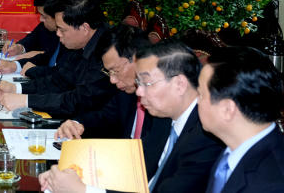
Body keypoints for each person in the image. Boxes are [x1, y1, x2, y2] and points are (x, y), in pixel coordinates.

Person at [40, 39, 224, 193]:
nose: (139, 92)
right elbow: (136, 169)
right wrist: (73, 175)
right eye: (138, 82)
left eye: (146, 83)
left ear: (180, 84)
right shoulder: (164, 118)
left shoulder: (207, 135)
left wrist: (84, 190)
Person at [0, 0, 116, 117]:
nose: (58, 34)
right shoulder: (82, 43)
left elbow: (79, 101)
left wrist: (26, 101)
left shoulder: (109, 52)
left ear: (84, 28)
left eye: (62, 30)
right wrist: (15, 88)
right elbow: (60, 81)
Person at [198, 46, 284, 192]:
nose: (197, 103)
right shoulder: (234, 146)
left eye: (201, 95)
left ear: (227, 109)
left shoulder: (271, 183)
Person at [56, 24, 158, 139]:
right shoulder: (125, 94)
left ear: (138, 59)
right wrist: (76, 124)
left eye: (116, 70)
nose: (112, 80)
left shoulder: (162, 101)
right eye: (109, 72)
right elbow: (103, 117)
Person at [0, 0, 70, 77]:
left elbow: (62, 74)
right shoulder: (54, 29)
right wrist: (15, 64)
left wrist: (32, 71)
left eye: (44, 16)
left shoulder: (71, 40)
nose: (41, 19)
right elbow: (45, 56)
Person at [0, 0, 71, 59]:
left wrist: (40, 55)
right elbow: (36, 35)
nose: (38, 2)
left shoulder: (70, 18)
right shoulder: (48, 18)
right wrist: (20, 47)